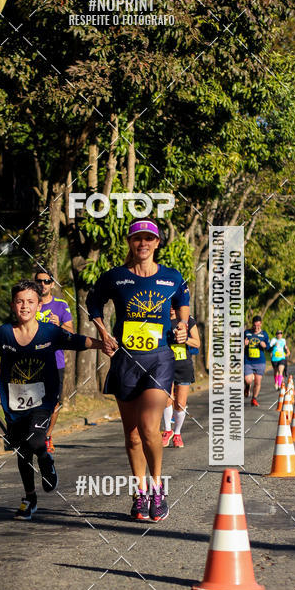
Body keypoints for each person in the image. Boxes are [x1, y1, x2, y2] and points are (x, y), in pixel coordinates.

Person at [0, 279, 112, 520]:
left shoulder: (50, 332)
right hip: (14, 404)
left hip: (43, 401)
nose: (25, 306)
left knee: (36, 440)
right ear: (12, 305)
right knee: (22, 452)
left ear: (39, 306)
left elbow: (78, 341)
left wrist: (103, 344)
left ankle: (45, 458)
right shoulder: (3, 333)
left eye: (30, 302)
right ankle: (30, 497)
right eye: (20, 301)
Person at [86, 218, 190, 522]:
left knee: (148, 428)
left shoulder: (172, 277)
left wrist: (183, 325)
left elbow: (182, 300)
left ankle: (157, 488)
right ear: (130, 243)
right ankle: (139, 491)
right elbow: (93, 303)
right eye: (137, 239)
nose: (143, 243)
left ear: (157, 243)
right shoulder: (115, 277)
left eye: (148, 238)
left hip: (159, 359)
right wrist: (103, 332)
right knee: (132, 436)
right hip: (126, 360)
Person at [33, 269, 74, 453]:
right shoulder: (29, 303)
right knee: (32, 400)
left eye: (47, 281)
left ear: (52, 284)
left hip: (55, 362)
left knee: (54, 402)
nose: (43, 284)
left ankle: (47, 436)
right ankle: (33, 435)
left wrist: (60, 325)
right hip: (32, 361)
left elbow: (71, 332)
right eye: (39, 281)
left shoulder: (61, 305)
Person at [162, 307, 201, 448]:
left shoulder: (187, 320)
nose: (171, 307)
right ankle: (167, 430)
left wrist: (185, 339)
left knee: (180, 403)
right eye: (170, 304)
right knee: (167, 398)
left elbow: (197, 343)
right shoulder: (161, 318)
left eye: (175, 304)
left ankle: (177, 433)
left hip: (183, 366)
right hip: (165, 365)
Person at [244, 315, 271, 406]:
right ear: (252, 324)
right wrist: (244, 344)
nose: (256, 328)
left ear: (261, 324)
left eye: (258, 326)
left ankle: (254, 399)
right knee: (248, 380)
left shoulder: (264, 334)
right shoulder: (247, 333)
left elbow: (269, 347)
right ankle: (247, 386)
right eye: (254, 326)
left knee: (257, 382)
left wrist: (265, 346)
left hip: (260, 362)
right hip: (248, 361)